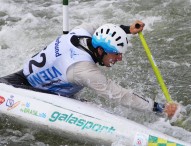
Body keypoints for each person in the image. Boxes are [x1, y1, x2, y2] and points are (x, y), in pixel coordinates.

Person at [0, 20, 177, 118]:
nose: (120, 58)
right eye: (115, 54)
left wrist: (127, 29)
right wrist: (159, 108)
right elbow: (120, 95)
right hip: (28, 91)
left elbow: (102, 26)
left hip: (22, 75)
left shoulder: (82, 31)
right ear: (100, 50)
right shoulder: (84, 70)